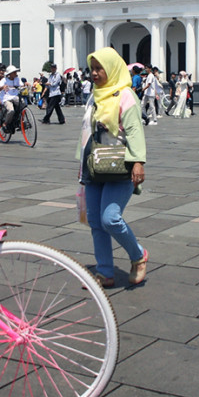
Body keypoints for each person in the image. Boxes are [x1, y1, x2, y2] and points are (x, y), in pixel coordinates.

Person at [78, 47, 148, 288]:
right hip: (95, 166)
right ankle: (105, 271)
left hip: (121, 165)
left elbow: (134, 130)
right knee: (96, 221)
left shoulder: (126, 95)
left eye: (100, 69)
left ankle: (138, 255)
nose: (95, 74)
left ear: (112, 69)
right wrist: (81, 168)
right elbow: (86, 133)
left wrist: (138, 161)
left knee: (111, 219)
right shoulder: (95, 94)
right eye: (92, 69)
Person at [0, 65, 22, 133]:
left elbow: (21, 85)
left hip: (15, 96)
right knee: (11, 110)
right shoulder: (4, 80)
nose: (16, 73)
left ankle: (21, 121)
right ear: (9, 74)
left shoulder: (17, 79)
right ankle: (5, 123)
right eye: (14, 72)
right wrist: (3, 87)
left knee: (22, 104)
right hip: (6, 98)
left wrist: (25, 85)